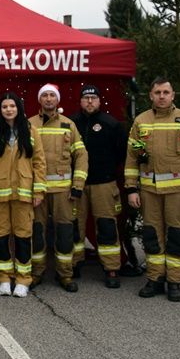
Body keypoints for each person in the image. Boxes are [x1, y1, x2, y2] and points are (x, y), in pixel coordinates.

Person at [125, 77, 180, 302]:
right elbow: (133, 158)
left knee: (177, 237)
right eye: (157, 92)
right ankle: (155, 279)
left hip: (178, 192)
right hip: (149, 192)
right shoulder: (141, 122)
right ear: (151, 95)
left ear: (172, 95)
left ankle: (175, 282)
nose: (162, 96)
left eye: (166, 92)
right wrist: (131, 189)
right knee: (151, 236)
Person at [0, 92, 46, 298]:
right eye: (4, 107)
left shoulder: (30, 131)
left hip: (24, 194)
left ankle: (22, 279)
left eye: (12, 106)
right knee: (0, 238)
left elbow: (39, 163)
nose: (8, 110)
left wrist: (38, 190)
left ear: (18, 108)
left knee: (22, 238)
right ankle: (3, 278)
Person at [28, 83, 88, 292]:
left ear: (58, 100)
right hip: (37, 191)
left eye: (52, 95)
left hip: (63, 192)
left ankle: (65, 274)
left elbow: (81, 156)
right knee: (37, 232)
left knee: (64, 232)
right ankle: (36, 273)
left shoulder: (68, 125)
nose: (48, 99)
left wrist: (77, 185)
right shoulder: (30, 125)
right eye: (44, 95)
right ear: (39, 100)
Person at [70, 84, 129, 288]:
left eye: (93, 98)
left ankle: (111, 267)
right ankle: (73, 264)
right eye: (86, 98)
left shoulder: (111, 124)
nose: (89, 102)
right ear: (80, 101)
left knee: (106, 226)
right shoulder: (71, 123)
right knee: (75, 225)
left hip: (104, 183)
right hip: (77, 183)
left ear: (99, 101)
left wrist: (108, 169)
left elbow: (123, 151)